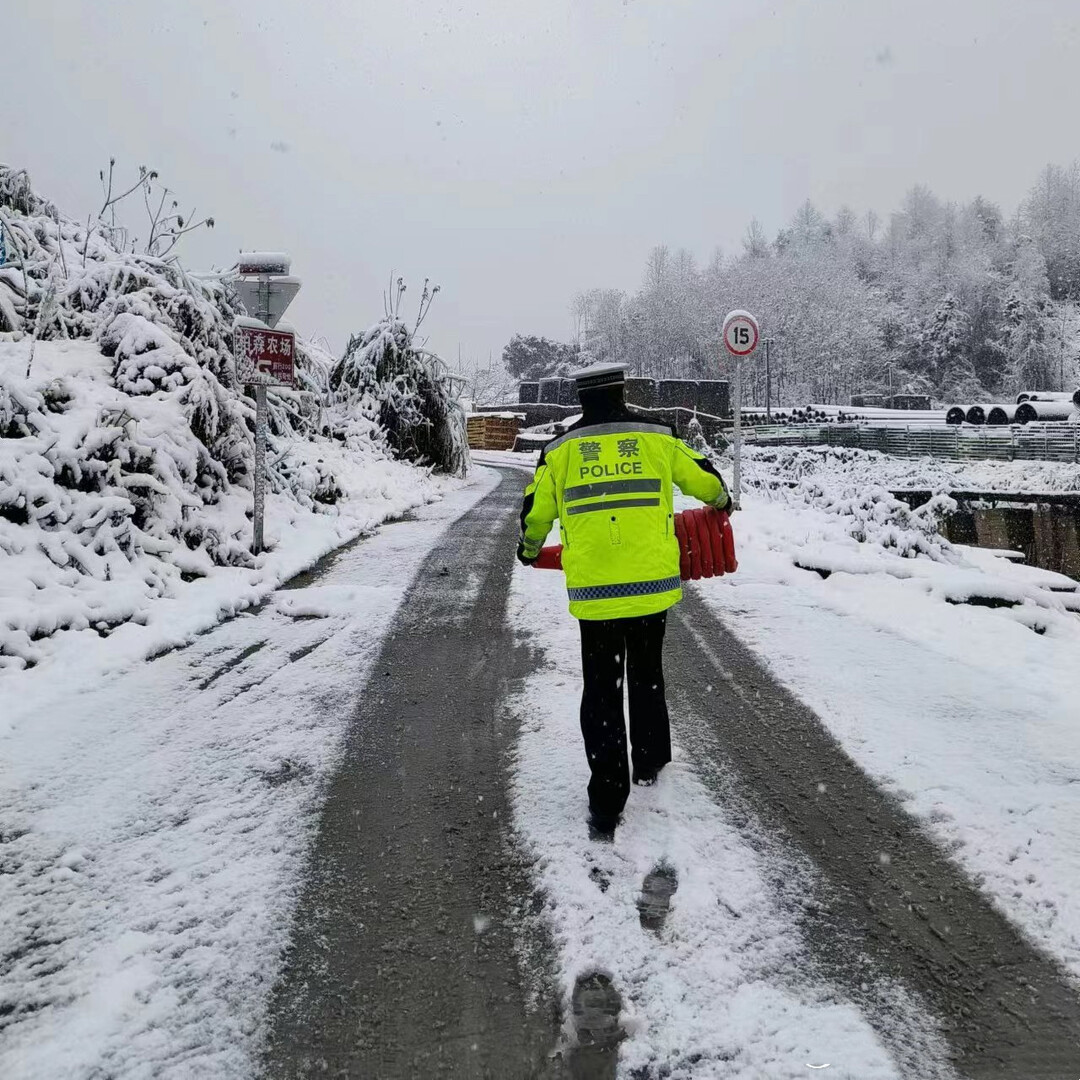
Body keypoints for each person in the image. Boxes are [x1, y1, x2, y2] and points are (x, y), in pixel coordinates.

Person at [517, 363, 731, 836]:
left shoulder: (561, 450)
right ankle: (650, 764)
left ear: (582, 399)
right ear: (621, 390)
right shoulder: (654, 436)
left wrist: (529, 551)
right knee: (647, 674)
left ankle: (608, 799)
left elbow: (535, 512)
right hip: (651, 587)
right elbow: (703, 479)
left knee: (601, 690)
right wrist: (722, 501)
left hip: (596, 594)